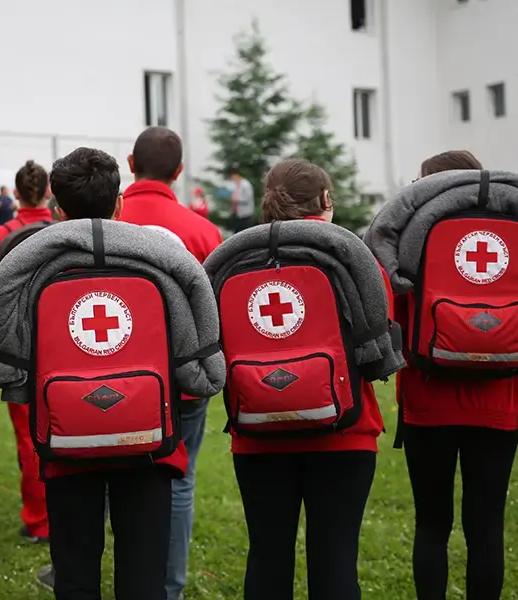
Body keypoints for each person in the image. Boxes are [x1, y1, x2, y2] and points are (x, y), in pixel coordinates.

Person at [18, 147, 192, 599]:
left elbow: (10, 350)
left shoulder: (33, 268)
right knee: (144, 580)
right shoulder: (157, 260)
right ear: (119, 204)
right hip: (148, 442)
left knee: (74, 579)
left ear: (58, 211)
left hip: (66, 441)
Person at [219, 158, 390, 600]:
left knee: (266, 560)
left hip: (258, 434)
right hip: (344, 434)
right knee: (335, 563)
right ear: (326, 201)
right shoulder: (353, 258)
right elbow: (379, 341)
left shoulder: (233, 260)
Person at [397, 150, 518, 600]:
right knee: (486, 526)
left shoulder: (411, 238)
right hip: (499, 400)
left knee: (431, 523)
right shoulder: (516, 234)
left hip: (427, 401)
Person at [120, 126, 222, 600]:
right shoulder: (203, 233)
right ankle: (169, 588)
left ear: (129, 162)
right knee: (179, 481)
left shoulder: (105, 219)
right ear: (179, 172)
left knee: (102, 481)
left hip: (110, 378)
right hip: (180, 385)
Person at [0, 160, 52, 548]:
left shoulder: (2, 235)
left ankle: (38, 521)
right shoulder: (60, 232)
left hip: (19, 351)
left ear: (18, 195)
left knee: (28, 439)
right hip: (59, 347)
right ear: (49, 193)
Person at [227, 167, 254, 233]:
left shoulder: (246, 185)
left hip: (245, 214)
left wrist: (236, 199)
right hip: (237, 213)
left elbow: (247, 198)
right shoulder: (236, 185)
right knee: (236, 232)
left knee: (243, 232)